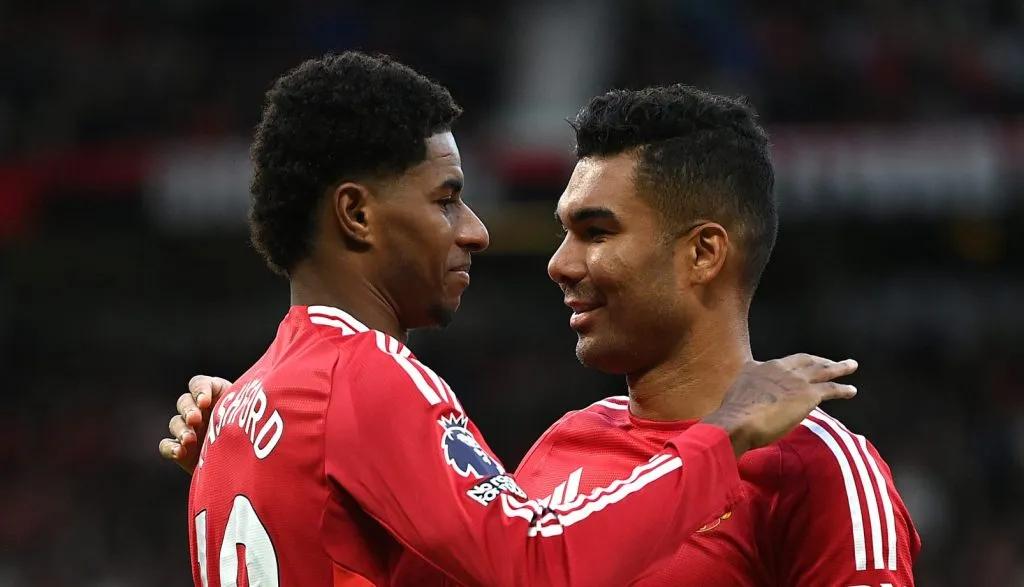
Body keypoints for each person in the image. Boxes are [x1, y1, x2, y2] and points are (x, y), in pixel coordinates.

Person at [160, 52, 860, 587]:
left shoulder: (241, 409)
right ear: (357, 213)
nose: (475, 231)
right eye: (445, 199)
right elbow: (539, 560)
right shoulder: (365, 377)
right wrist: (725, 433)